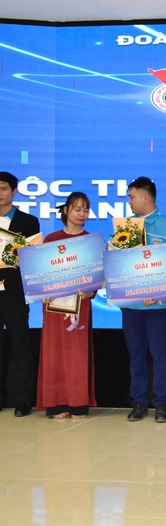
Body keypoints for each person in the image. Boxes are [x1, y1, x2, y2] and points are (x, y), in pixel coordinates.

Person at [123, 177, 166, 423]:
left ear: (145, 198)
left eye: (131, 197)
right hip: (131, 304)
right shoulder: (124, 227)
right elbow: (117, 263)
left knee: (160, 354)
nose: (129, 202)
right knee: (135, 355)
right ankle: (138, 402)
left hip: (159, 304)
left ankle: (161, 403)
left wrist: (159, 293)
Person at [37, 192, 97, 418]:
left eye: (86, 210)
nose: (82, 214)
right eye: (77, 209)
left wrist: (91, 291)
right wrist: (40, 291)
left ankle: (78, 402)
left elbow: (97, 277)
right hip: (53, 306)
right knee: (53, 351)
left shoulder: (91, 241)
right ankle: (55, 403)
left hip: (80, 305)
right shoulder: (51, 239)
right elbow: (39, 273)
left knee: (77, 353)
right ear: (66, 210)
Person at [0, 171, 40, 417]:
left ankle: (25, 399)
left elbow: (32, 259)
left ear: (14, 191)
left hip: (15, 292)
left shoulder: (28, 221)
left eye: (4, 188)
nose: (0, 193)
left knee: (20, 346)